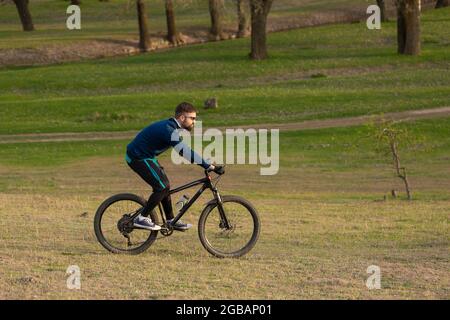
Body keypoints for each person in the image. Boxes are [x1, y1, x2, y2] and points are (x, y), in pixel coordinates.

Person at [125, 102, 223, 231]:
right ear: (182, 118)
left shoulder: (171, 128)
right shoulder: (169, 130)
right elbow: (185, 151)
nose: (194, 122)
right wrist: (208, 166)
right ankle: (141, 218)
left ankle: (171, 220)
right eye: (192, 118)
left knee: (165, 186)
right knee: (161, 187)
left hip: (147, 156)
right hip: (137, 157)